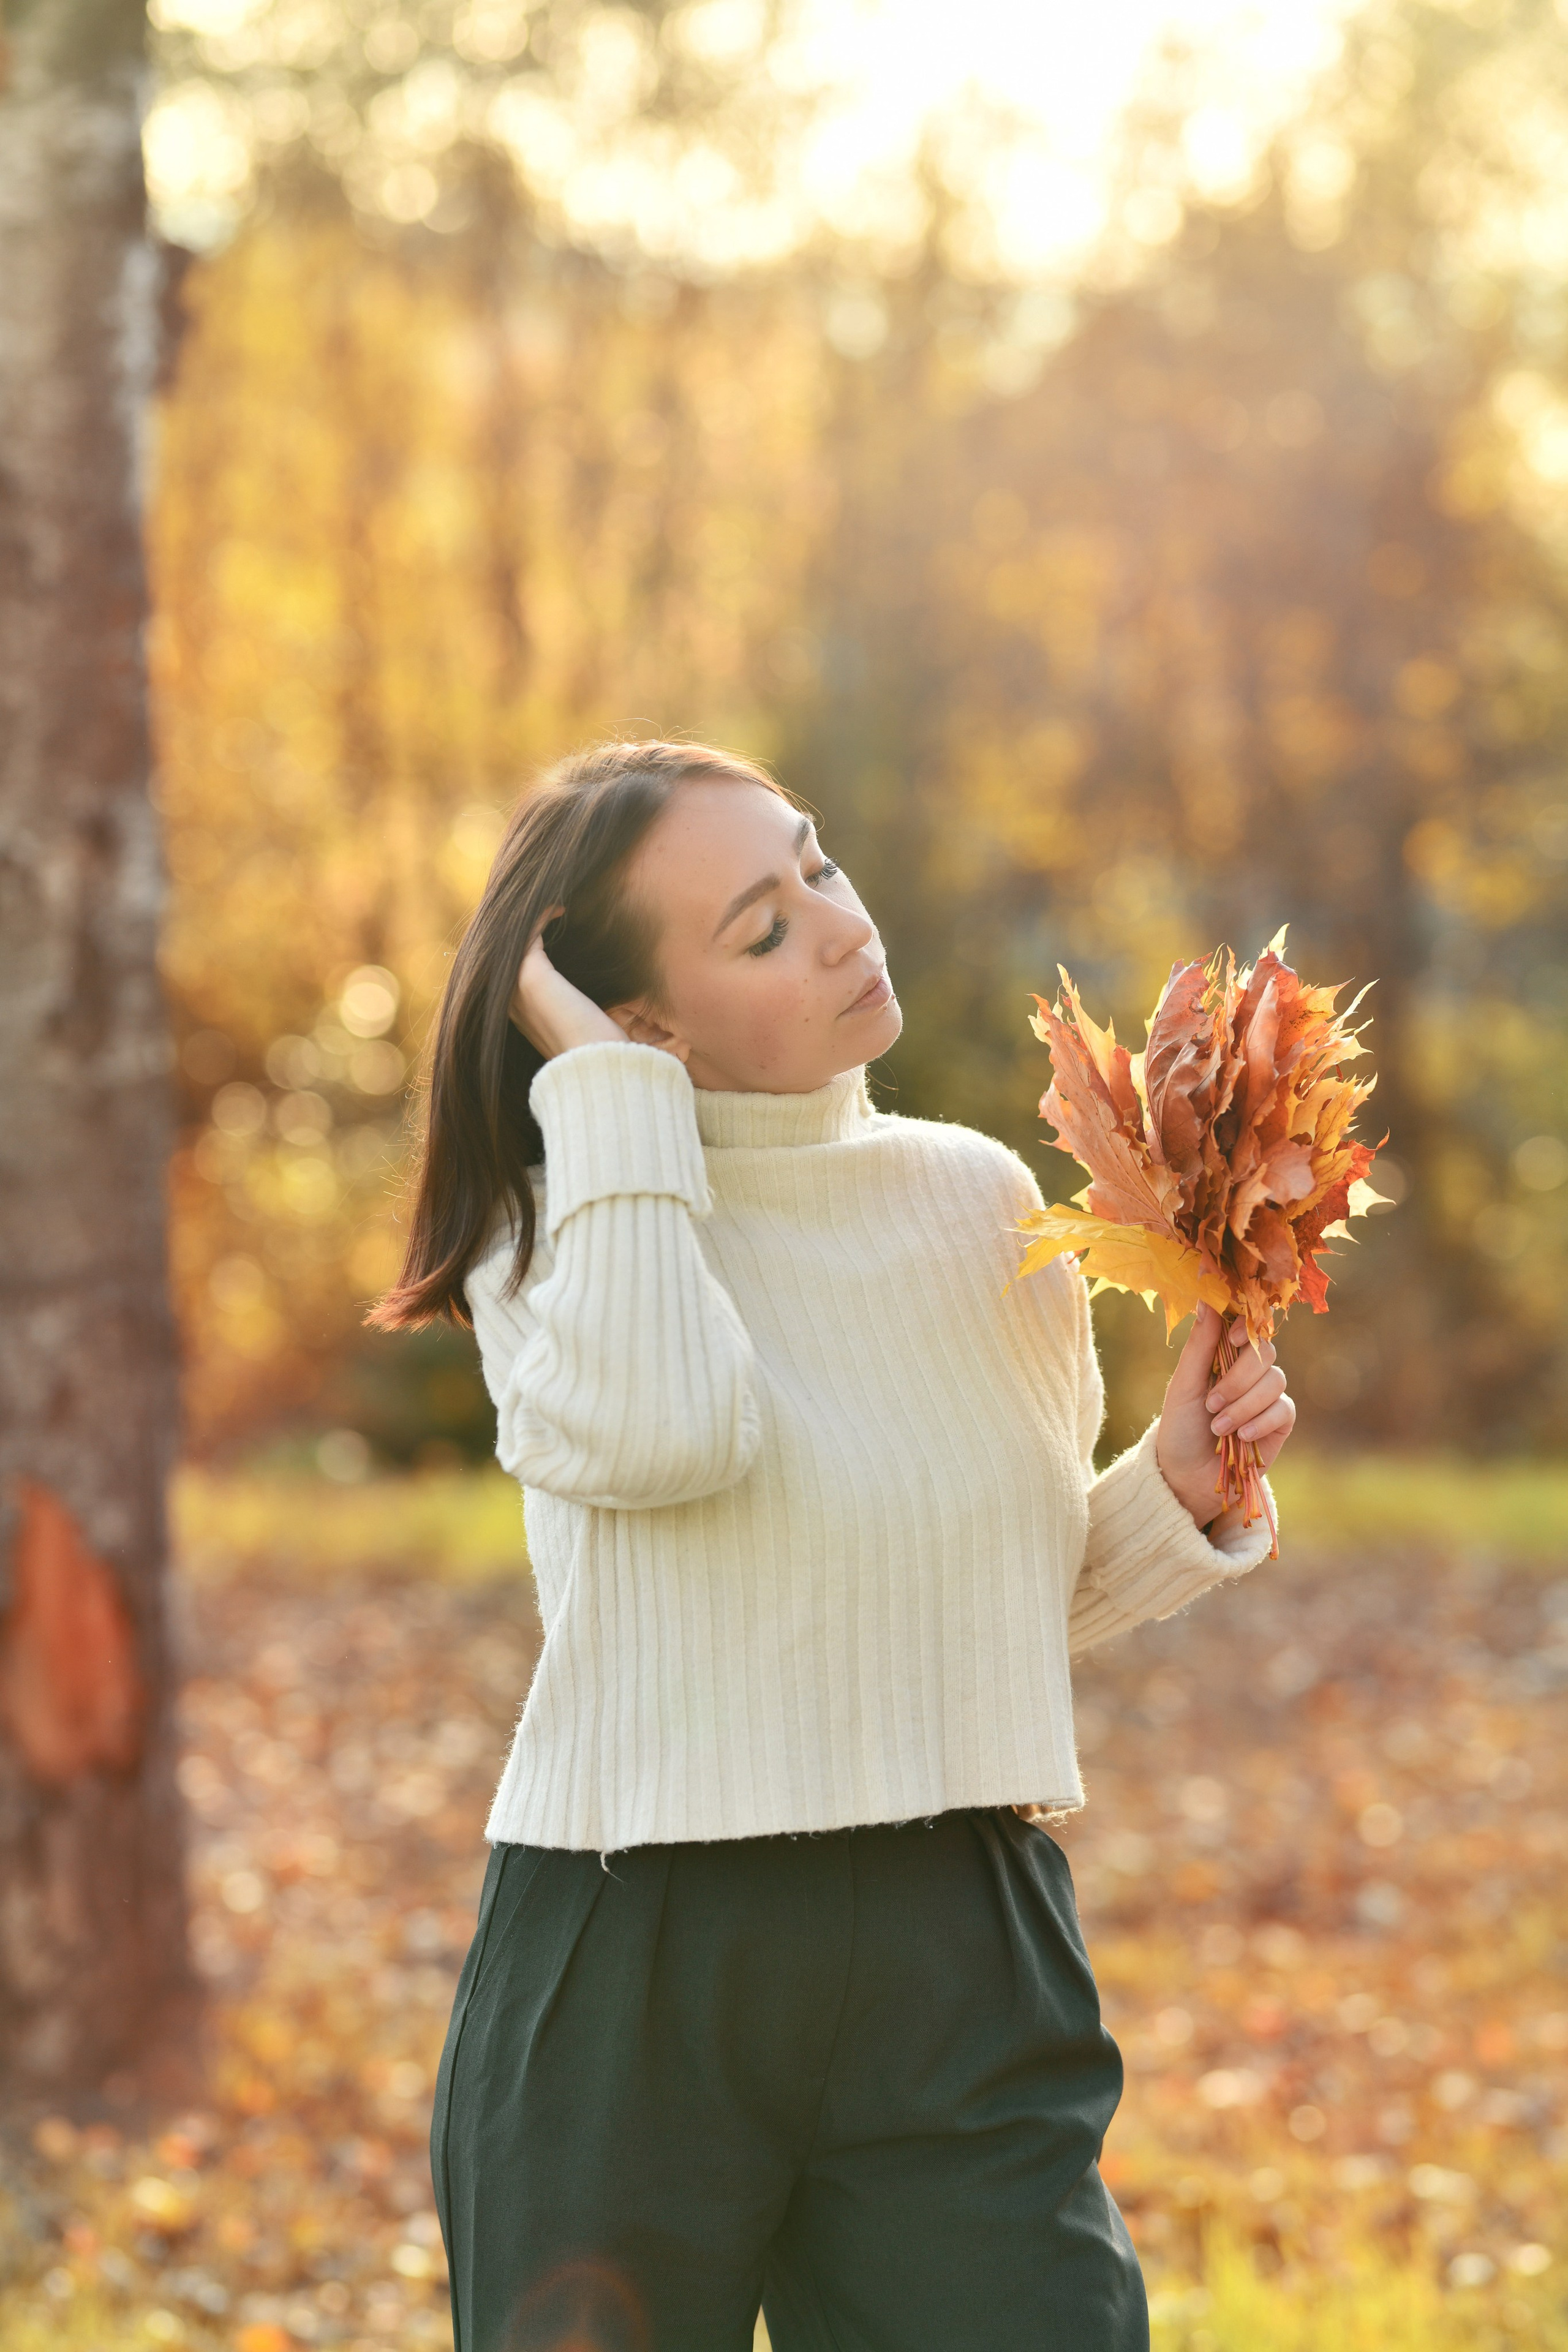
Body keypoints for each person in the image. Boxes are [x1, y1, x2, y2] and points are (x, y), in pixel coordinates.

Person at [369, 739, 1294, 2352]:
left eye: (817, 867)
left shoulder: (982, 1205)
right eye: (760, 929)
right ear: (640, 1019)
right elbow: (671, 1433)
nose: (837, 921)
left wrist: (1175, 1488)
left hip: (958, 1945)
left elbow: (965, 1599)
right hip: (636, 1965)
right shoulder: (563, 1231)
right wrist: (607, 1096)